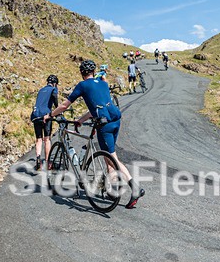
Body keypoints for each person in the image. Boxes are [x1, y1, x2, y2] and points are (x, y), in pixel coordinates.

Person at [45, 60, 145, 209]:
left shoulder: (82, 85)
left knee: (113, 158)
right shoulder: (103, 84)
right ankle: (111, 190)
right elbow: (98, 106)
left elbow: (65, 105)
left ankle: (134, 187)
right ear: (93, 72)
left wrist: (50, 114)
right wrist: (80, 120)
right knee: (108, 156)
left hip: (104, 124)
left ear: (82, 73)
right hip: (116, 119)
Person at [30, 74, 59, 170]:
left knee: (39, 139)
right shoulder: (53, 89)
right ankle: (47, 161)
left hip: (35, 115)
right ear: (55, 84)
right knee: (47, 139)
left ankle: (38, 158)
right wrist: (58, 109)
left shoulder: (41, 90)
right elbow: (54, 97)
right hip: (45, 115)